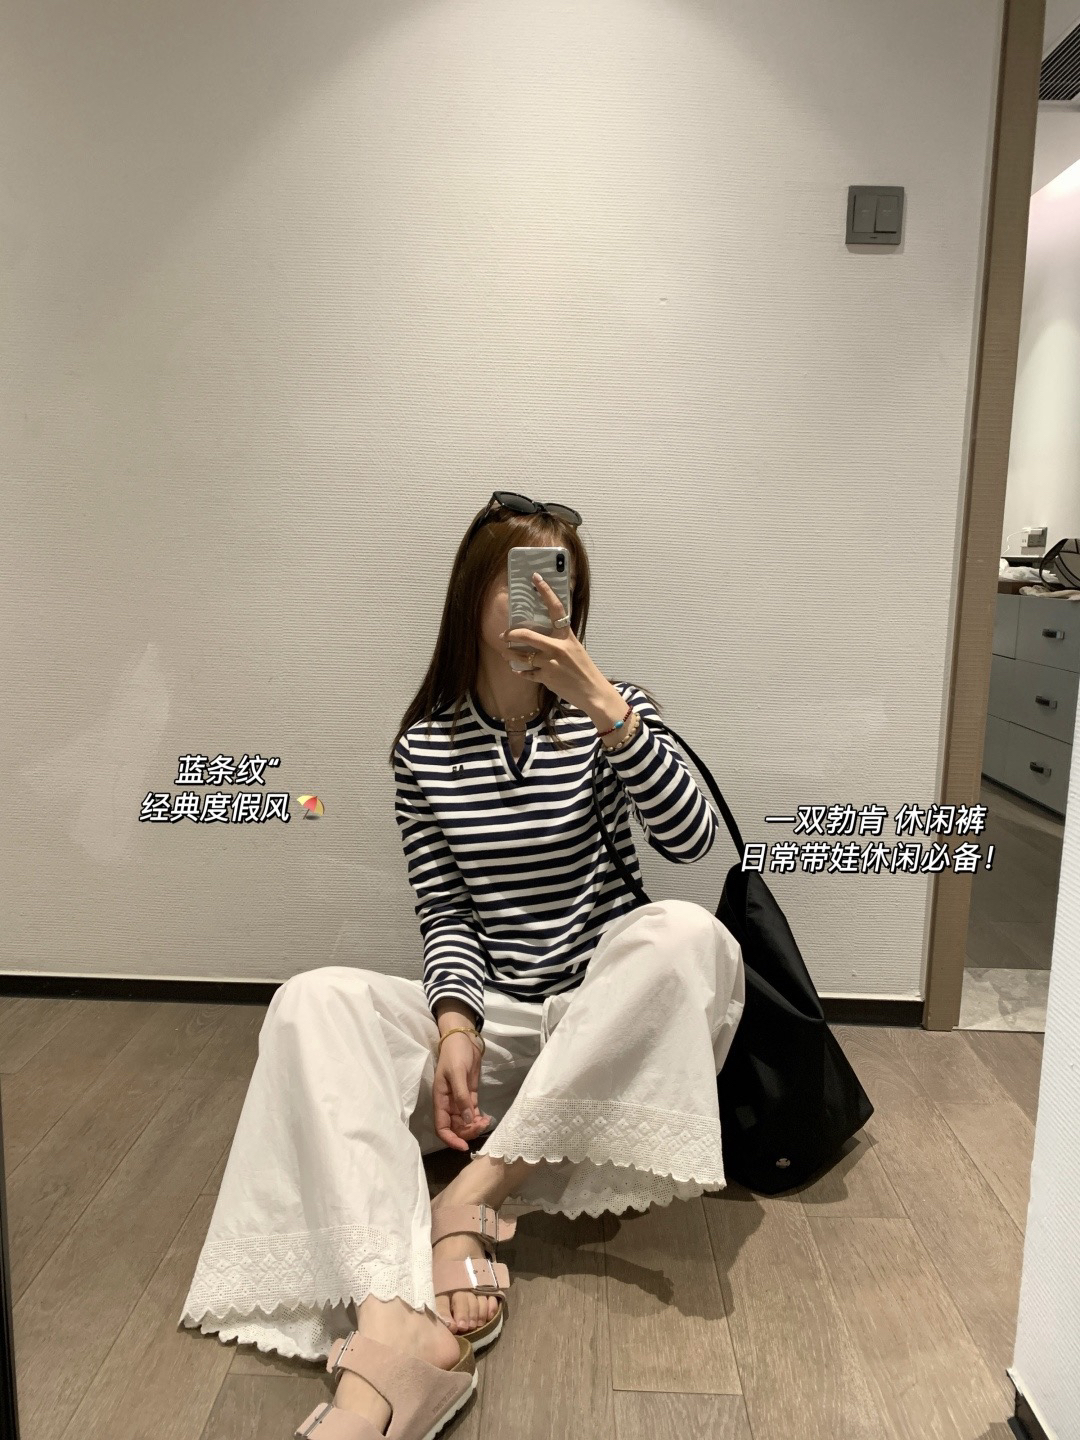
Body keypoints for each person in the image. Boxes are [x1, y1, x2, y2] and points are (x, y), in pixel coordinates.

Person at [177, 493, 746, 1439]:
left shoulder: (615, 713)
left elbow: (689, 842)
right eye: (523, 577)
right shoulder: (425, 745)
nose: (544, 599)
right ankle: (390, 1318)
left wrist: (605, 707)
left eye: (561, 581)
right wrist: (454, 1024)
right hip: (500, 1029)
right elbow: (446, 911)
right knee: (311, 1001)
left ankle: (468, 1197)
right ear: (473, 592)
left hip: (601, 1031)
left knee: (689, 937)